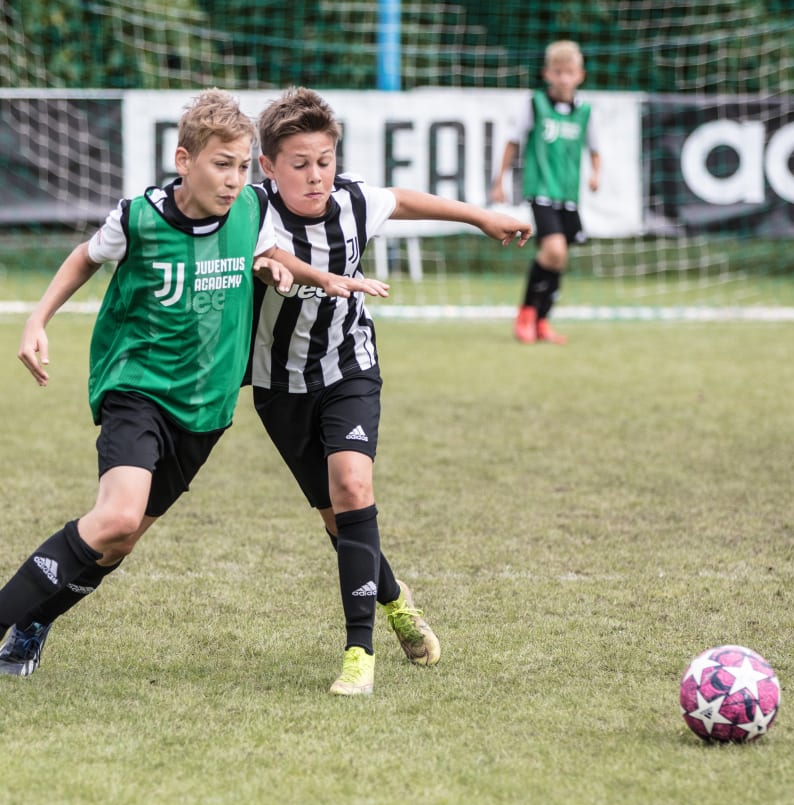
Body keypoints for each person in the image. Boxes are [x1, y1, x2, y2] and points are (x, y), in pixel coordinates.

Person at [0, 88, 386, 677]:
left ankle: (33, 620)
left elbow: (264, 256)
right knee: (117, 518)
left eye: (239, 167)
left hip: (205, 408)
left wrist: (302, 274)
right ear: (185, 161)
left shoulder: (252, 213)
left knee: (119, 542)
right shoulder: (140, 218)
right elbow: (85, 255)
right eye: (219, 165)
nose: (232, 181)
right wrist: (37, 319)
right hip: (138, 389)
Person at [249, 86, 532, 696]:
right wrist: (274, 267)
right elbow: (266, 255)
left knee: (352, 484)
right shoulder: (251, 212)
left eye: (324, 160)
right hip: (279, 385)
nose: (315, 175)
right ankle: (397, 599)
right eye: (299, 164)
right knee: (339, 521)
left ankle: (359, 654)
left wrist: (481, 216)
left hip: (350, 367)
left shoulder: (352, 200)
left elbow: (402, 199)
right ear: (269, 167)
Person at [491, 39, 601, 345]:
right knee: (554, 251)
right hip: (541, 190)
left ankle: (541, 321)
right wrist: (499, 180)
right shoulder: (535, 105)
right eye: (558, 72)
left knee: (557, 260)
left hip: (569, 195)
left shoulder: (585, 111)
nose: (564, 78)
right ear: (547, 74)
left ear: (580, 75)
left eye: (569, 72)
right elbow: (513, 141)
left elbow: (595, 149)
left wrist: (596, 174)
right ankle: (526, 315)